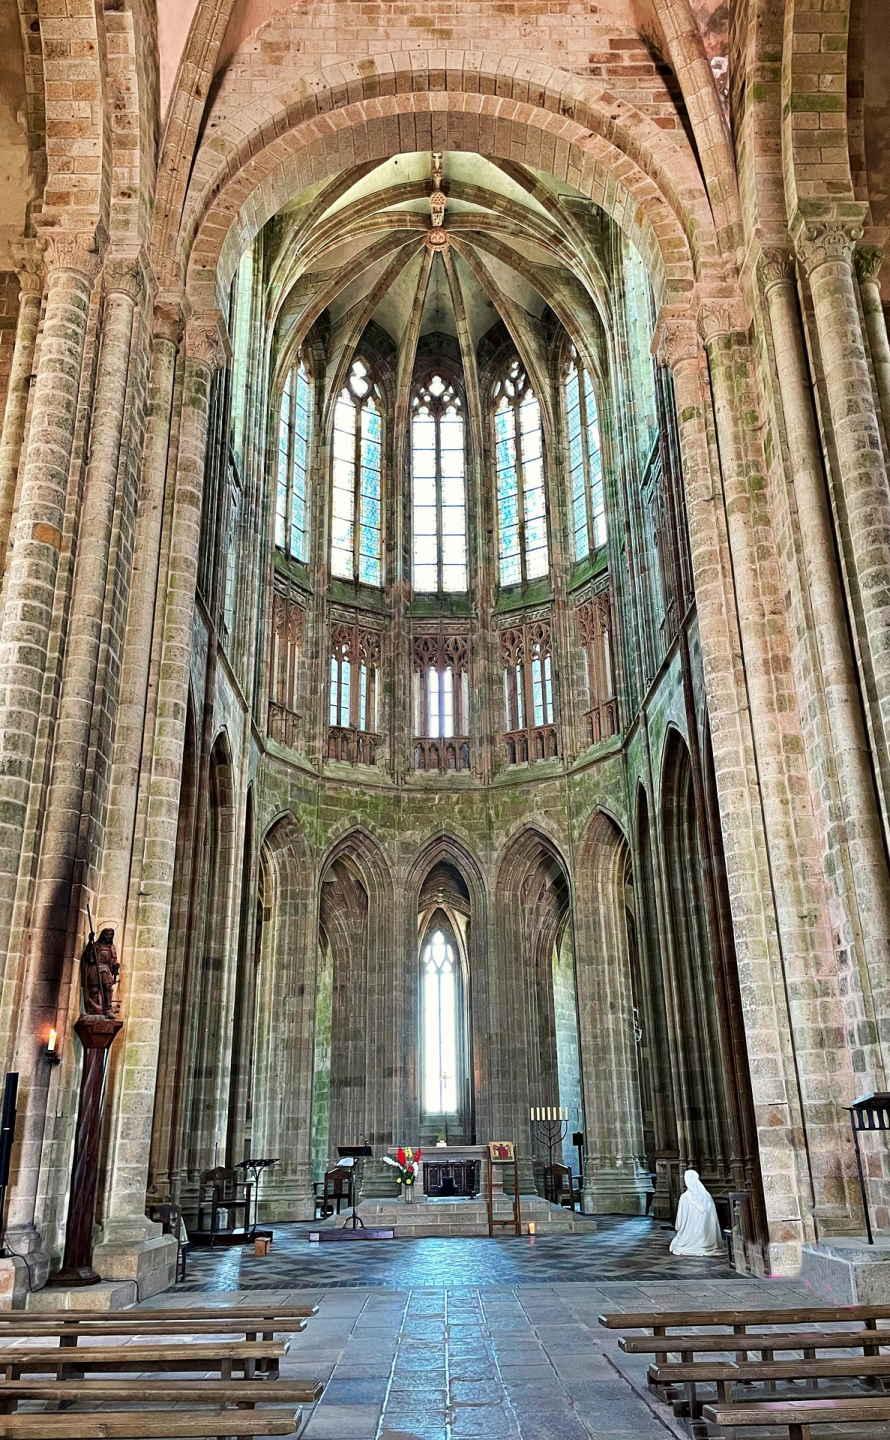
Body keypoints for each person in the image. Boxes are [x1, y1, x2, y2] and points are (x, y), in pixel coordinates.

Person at [669, 1168, 724, 1256]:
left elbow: (681, 1216)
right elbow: (712, 1216)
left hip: (690, 1231)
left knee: (680, 1242)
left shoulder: (685, 1197)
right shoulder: (706, 1195)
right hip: (707, 1233)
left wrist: (679, 1226)